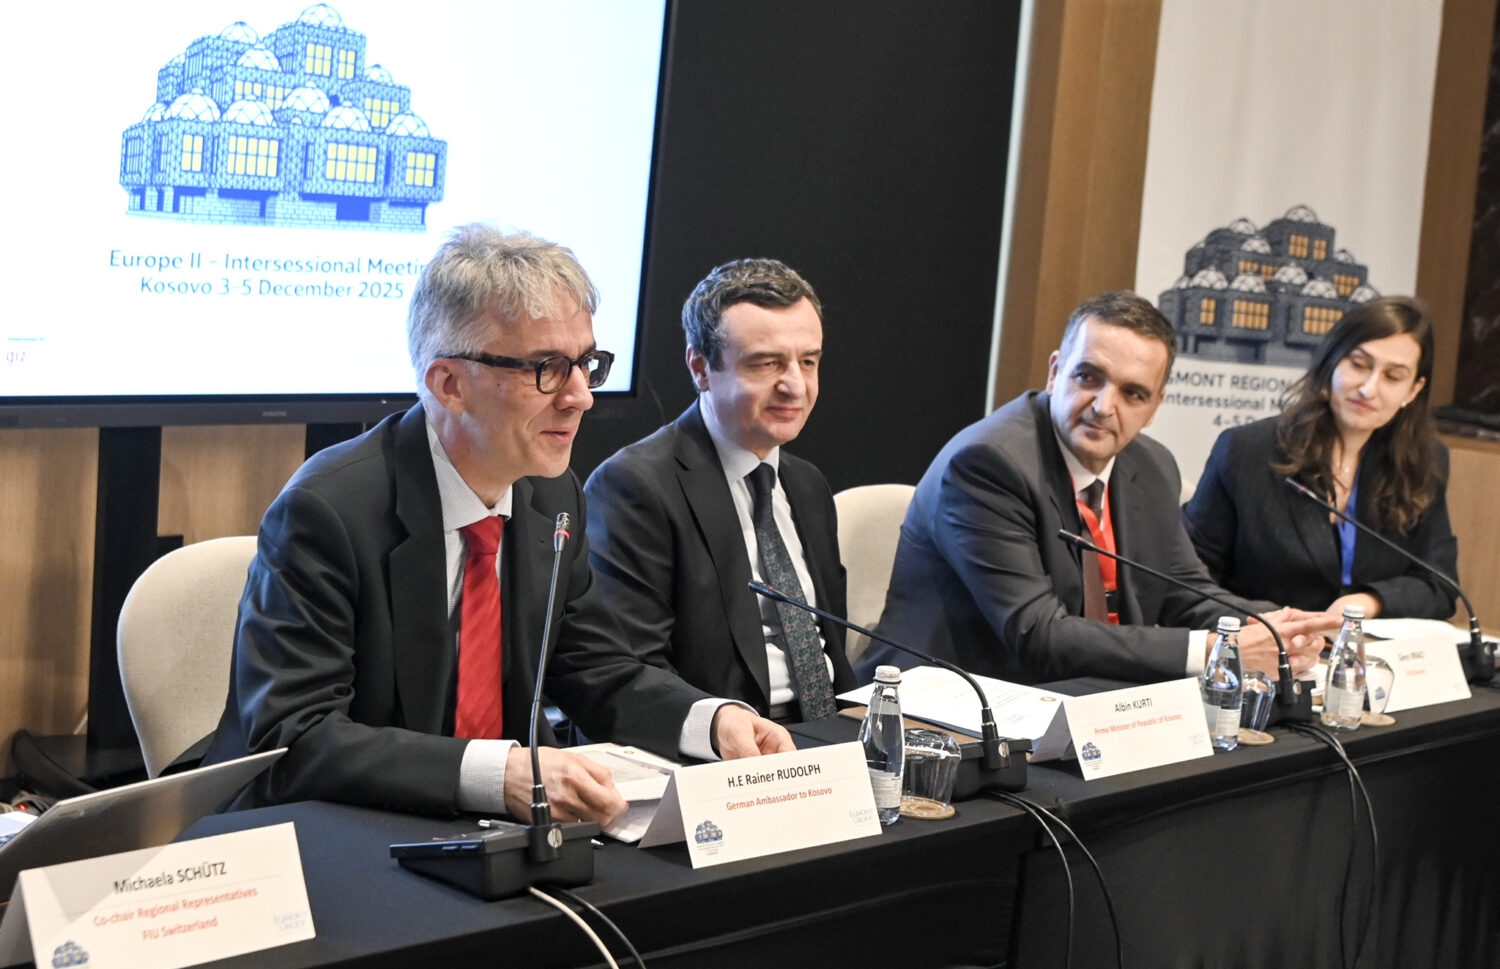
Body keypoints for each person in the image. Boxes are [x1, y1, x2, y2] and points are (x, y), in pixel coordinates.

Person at [202, 226, 792, 824]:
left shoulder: (552, 494)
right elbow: (295, 738)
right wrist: (495, 772)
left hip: (494, 833)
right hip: (342, 829)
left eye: (586, 364)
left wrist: (709, 721)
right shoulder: (327, 511)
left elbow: (592, 665)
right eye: (547, 368)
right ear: (449, 385)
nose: (581, 397)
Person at [860, 291, 1336, 686]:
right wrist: (1216, 650)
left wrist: (1278, 626)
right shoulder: (987, 465)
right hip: (949, 704)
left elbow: (1184, 592)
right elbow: (1039, 635)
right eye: (1089, 377)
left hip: (1082, 701)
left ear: (1155, 406)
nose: (1105, 407)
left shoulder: (1152, 467)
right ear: (1054, 372)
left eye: (1133, 393)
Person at [584, 259, 854, 722]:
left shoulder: (807, 484)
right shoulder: (635, 487)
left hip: (831, 731)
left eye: (808, 362)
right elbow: (629, 674)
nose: (795, 385)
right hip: (722, 743)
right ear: (701, 368)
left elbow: (831, 647)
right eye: (767, 363)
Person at [1183, 295, 1457, 620]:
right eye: (1359, 364)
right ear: (1331, 361)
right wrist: (1269, 624)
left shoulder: (1423, 461)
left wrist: (1368, 603)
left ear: (1412, 390)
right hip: (1265, 641)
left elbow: (1440, 585)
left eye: (1393, 377)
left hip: (1371, 647)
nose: (1369, 389)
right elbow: (1190, 578)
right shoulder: (1246, 450)